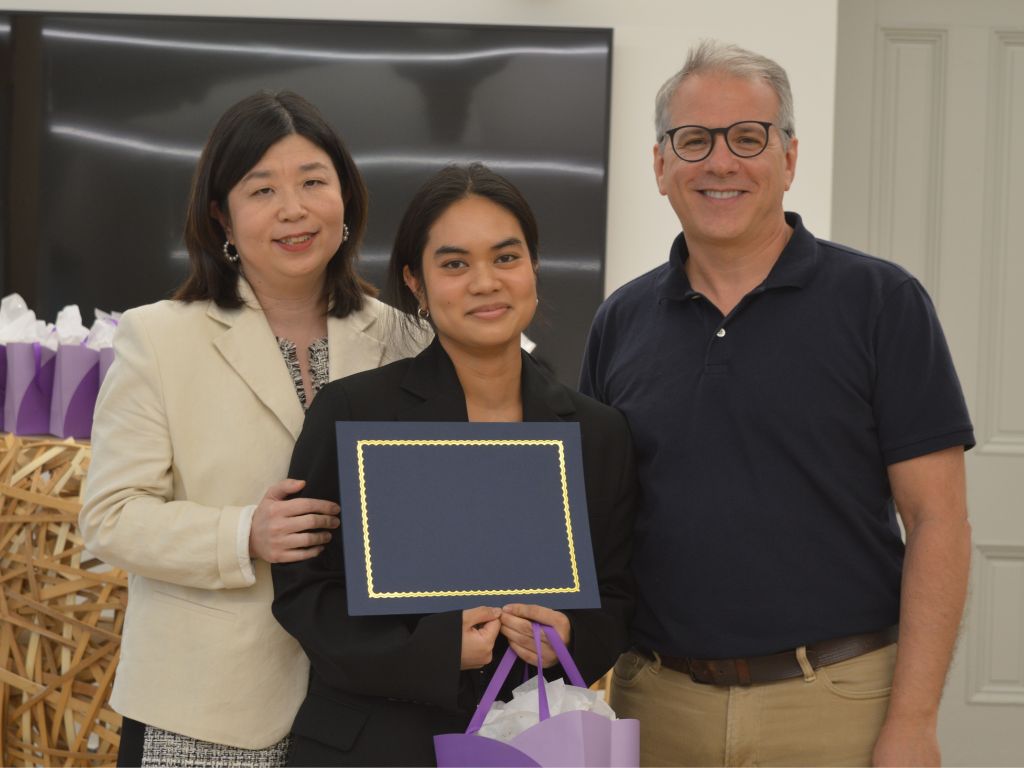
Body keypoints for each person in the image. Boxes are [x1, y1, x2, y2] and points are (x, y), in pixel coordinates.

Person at [580, 40, 973, 767]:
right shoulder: (620, 323)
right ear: (661, 165)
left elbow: (937, 520)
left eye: (749, 137)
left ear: (789, 157)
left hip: (837, 703)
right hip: (658, 705)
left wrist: (914, 722)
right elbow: (589, 521)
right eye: (694, 140)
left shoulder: (882, 304)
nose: (721, 162)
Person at [79, 91, 422, 767]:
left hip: (366, 710)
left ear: (346, 200)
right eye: (262, 189)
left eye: (314, 183)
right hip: (208, 713)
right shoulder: (160, 337)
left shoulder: (403, 339)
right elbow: (110, 517)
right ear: (222, 215)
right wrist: (244, 534)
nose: (293, 209)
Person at [271, 163, 636, 766]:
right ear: (416, 282)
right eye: (455, 264)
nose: (486, 282)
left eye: (506, 258)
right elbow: (304, 595)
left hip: (531, 744)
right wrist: (434, 649)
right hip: (372, 744)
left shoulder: (598, 432)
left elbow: (618, 593)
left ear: (534, 268)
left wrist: (570, 637)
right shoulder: (354, 412)